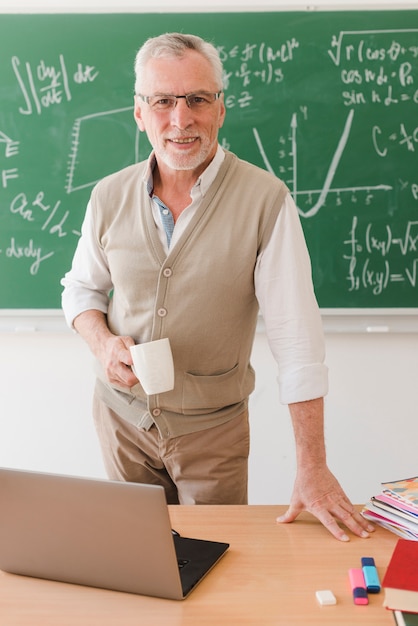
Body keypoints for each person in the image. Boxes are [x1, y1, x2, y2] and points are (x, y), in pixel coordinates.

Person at [61, 32, 374, 542]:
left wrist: (311, 466)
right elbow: (81, 290)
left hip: (213, 435)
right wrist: (102, 343)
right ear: (140, 113)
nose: (181, 120)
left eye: (197, 100)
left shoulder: (266, 201)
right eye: (162, 101)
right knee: (135, 560)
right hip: (121, 424)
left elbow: (297, 343)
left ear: (221, 109)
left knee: (213, 571)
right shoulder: (107, 196)